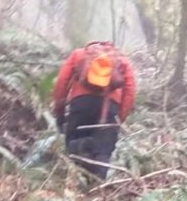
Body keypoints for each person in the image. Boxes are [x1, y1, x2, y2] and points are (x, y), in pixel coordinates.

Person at [52, 41, 136, 180]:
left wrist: (59, 111)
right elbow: (130, 92)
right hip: (110, 107)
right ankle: (99, 188)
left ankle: (76, 183)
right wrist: (118, 119)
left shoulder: (79, 54)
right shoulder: (122, 62)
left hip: (80, 103)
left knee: (73, 140)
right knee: (103, 150)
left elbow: (62, 81)